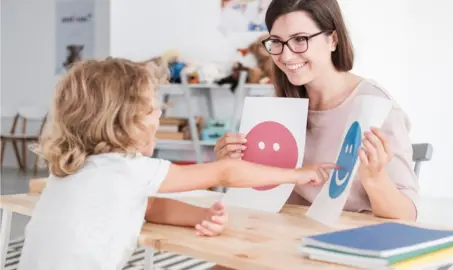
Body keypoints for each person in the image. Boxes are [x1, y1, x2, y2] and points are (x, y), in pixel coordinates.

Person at [18, 57, 336, 270]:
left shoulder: (76, 170)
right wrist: (299, 173)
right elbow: (226, 170)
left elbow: (149, 207)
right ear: (124, 122)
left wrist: (201, 215)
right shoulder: (125, 168)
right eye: (151, 110)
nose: (159, 115)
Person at [214, 0, 419, 221]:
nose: (286, 56)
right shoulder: (280, 103)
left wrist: (375, 178)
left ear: (333, 39)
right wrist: (232, 162)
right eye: (276, 42)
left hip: (347, 240)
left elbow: (407, 215)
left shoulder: (376, 107)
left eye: (300, 40)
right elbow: (261, 192)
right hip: (284, 234)